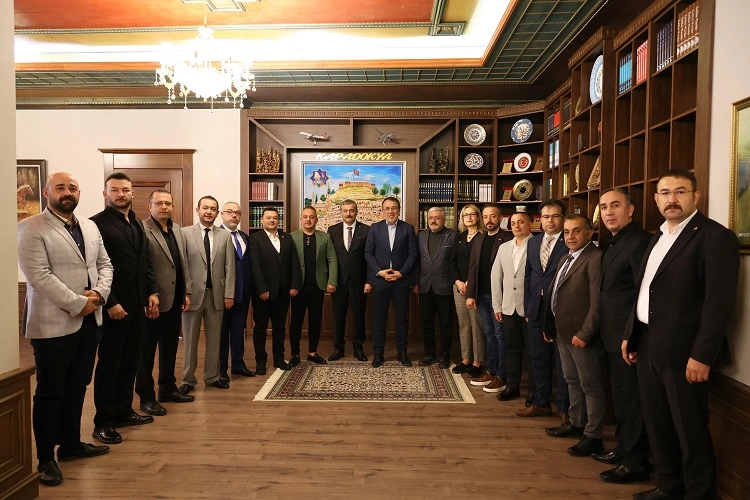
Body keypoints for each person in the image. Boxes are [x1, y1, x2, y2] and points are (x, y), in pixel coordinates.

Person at [623, 169, 739, 500]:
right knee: (658, 423)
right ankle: (669, 486)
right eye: (665, 193)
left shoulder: (715, 237)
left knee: (690, 430)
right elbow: (645, 290)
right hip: (648, 344)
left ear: (695, 196)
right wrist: (631, 334)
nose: (672, 199)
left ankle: (699, 495)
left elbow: (719, 303)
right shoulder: (658, 236)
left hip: (685, 352)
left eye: (680, 192)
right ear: (656, 199)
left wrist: (703, 354)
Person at [18, 172, 113, 487]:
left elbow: (105, 265)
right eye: (60, 187)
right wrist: (78, 303)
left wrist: (98, 295)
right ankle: (45, 458)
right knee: (50, 391)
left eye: (72, 187)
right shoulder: (30, 227)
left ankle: (70, 445)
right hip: (53, 324)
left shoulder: (89, 226)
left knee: (78, 385)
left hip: (90, 321)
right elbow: (39, 276)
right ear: (47, 193)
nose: (67, 192)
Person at [90, 172, 159, 445]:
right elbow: (95, 268)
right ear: (105, 193)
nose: (121, 194)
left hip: (137, 304)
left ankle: (123, 410)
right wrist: (110, 301)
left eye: (125, 190)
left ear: (133, 193)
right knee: (110, 364)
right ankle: (103, 422)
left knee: (130, 360)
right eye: (115, 190)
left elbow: (144, 261)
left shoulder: (137, 223)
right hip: (114, 306)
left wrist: (151, 292)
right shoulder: (96, 224)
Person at [594, 188, 651, 484]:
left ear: (630, 210)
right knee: (621, 396)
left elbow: (642, 295)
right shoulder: (614, 241)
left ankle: (636, 462)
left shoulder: (639, 242)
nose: (608, 212)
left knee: (632, 401)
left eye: (615, 206)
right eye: (604, 207)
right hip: (611, 335)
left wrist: (633, 335)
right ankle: (623, 449)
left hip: (627, 337)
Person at [542, 214, 605, 459]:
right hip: (563, 332)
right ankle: (577, 423)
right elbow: (555, 294)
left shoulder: (595, 258)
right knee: (572, 381)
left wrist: (585, 333)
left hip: (582, 335)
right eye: (567, 232)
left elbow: (597, 303)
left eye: (577, 231)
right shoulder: (565, 258)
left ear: (589, 233)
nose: (570, 236)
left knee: (590, 385)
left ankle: (593, 436)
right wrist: (550, 326)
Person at [136, 189, 194, 417]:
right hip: (153, 301)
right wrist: (150, 294)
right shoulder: (142, 229)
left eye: (168, 203)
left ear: (172, 206)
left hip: (174, 299)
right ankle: (146, 396)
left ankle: (167, 389)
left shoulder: (177, 229)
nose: (164, 207)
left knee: (170, 347)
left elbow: (182, 263)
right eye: (159, 203)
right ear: (149, 206)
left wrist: (185, 292)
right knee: (146, 351)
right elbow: (143, 266)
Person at [516, 199, 570, 422]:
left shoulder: (569, 241)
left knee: (562, 362)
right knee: (538, 358)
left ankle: (565, 409)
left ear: (562, 218)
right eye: (546, 217)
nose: (550, 221)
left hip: (560, 311)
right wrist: (528, 307)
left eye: (555, 216)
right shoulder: (534, 242)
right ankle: (541, 402)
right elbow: (529, 276)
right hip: (536, 310)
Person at [180, 196, 235, 394]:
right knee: (190, 341)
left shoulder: (225, 236)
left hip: (216, 295)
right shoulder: (185, 233)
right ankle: (188, 379)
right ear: (198, 210)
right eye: (205, 208)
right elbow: (182, 266)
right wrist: (184, 293)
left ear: (217, 213)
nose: (209, 212)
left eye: (213, 209)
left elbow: (230, 267)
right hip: (192, 296)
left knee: (214, 340)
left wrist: (229, 294)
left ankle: (212, 376)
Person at [364, 196, 418, 368]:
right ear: (382, 211)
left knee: (401, 319)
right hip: (381, 281)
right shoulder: (375, 228)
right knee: (379, 319)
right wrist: (379, 272)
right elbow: (368, 253)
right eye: (387, 208)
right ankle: (378, 353)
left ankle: (402, 352)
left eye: (394, 208)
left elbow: (413, 254)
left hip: (401, 281)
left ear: (399, 210)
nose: (390, 211)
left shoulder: (408, 229)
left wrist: (401, 273)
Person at [248, 207, 302, 374]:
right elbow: (255, 266)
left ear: (278, 220)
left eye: (274, 218)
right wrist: (262, 288)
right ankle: (261, 361)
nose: (271, 220)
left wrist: (294, 285)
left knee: (280, 327)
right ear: (262, 220)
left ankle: (279, 358)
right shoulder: (255, 238)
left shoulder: (287, 238)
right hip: (263, 294)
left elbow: (294, 263)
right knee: (261, 328)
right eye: (268, 217)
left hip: (283, 292)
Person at [466, 203, 511, 393]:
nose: (488, 220)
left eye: (493, 216)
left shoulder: (507, 239)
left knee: (500, 335)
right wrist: (470, 295)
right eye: (485, 217)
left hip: (499, 296)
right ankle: (491, 371)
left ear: (500, 218)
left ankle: (502, 375)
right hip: (482, 295)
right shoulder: (479, 239)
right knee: (489, 334)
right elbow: (473, 268)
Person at [491, 211, 534, 401]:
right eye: (513, 223)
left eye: (521, 222)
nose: (516, 226)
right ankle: (512, 386)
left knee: (532, 352)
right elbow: (496, 277)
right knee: (512, 349)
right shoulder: (504, 247)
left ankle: (533, 391)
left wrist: (533, 307)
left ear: (530, 224)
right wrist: (497, 306)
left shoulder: (537, 245)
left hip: (529, 309)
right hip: (508, 307)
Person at [289, 206, 338, 365]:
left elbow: (332, 259)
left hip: (318, 286)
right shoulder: (292, 237)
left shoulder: (325, 237)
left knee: (315, 321)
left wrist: (332, 281)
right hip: (298, 287)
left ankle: (312, 352)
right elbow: (287, 263)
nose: (308, 220)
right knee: (296, 322)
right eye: (305, 217)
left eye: (311, 217)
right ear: (301, 219)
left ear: (316, 219)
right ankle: (295, 354)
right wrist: (291, 284)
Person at [327, 200, 370, 361]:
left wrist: (369, 281)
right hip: (338, 282)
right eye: (345, 210)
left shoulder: (366, 230)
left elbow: (369, 257)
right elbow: (329, 257)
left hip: (359, 282)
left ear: (356, 211)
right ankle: (338, 348)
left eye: (351, 210)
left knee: (359, 316)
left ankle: (358, 348)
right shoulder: (332, 230)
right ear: (341, 212)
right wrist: (330, 280)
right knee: (338, 316)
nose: (348, 213)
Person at [416, 207, 458, 369]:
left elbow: (455, 261)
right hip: (425, 286)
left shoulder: (453, 236)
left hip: (445, 286)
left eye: (437, 218)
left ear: (444, 219)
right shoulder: (421, 236)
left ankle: (445, 354)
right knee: (426, 323)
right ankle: (429, 353)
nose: (433, 220)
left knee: (446, 324)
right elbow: (417, 260)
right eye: (430, 218)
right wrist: (416, 283)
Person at [218, 202, 255, 379]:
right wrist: (226, 293)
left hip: (243, 293)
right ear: (222, 214)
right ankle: (221, 369)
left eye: (237, 213)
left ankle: (238, 365)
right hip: (224, 294)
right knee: (222, 333)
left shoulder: (245, 237)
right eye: (230, 212)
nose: (234, 215)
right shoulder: (216, 236)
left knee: (239, 330)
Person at [450, 204, 486, 378]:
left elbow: (484, 264)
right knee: (464, 324)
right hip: (459, 287)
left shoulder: (483, 236)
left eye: (472, 214)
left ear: (478, 217)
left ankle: (477, 362)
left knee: (476, 324)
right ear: (462, 218)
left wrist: (471, 282)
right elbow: (451, 262)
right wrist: (457, 281)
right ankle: (465, 359)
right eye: (466, 215)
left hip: (476, 287)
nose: (469, 217)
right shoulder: (459, 237)